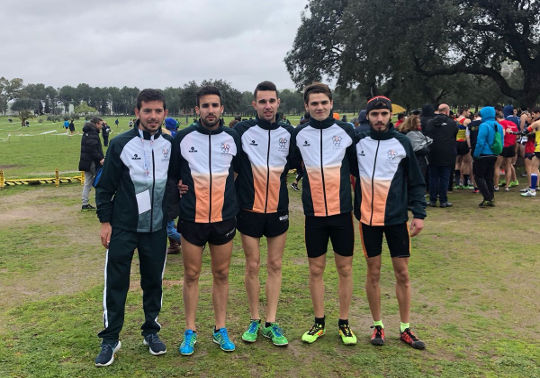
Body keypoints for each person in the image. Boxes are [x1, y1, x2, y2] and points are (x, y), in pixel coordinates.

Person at [93, 89, 172, 367]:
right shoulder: (119, 144)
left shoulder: (169, 145)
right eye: (147, 111)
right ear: (137, 112)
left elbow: (175, 184)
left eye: (158, 111)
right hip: (124, 228)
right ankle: (110, 339)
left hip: (156, 229)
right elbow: (104, 186)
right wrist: (105, 222)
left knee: (153, 282)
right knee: (117, 284)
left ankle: (151, 330)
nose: (153, 116)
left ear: (165, 113)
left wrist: (169, 214)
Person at [168, 86, 241, 355]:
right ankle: (190, 330)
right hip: (192, 218)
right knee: (191, 274)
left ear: (222, 109)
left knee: (221, 274)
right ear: (197, 109)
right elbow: (173, 175)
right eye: (205, 106)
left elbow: (238, 171)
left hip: (223, 217)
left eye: (215, 105)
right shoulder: (183, 138)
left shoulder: (233, 137)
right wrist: (181, 189)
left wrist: (223, 194)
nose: (211, 110)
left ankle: (220, 329)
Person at [354, 95, 426, 350]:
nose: (380, 119)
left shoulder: (402, 142)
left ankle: (406, 328)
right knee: (373, 273)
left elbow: (416, 182)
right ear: (368, 117)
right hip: (368, 220)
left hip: (396, 219)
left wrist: (419, 214)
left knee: (402, 274)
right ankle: (377, 325)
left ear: (391, 116)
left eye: (384, 114)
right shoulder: (359, 142)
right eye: (375, 115)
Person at [292, 82, 358, 345]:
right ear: (306, 107)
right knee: (315, 268)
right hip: (314, 214)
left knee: (345, 268)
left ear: (331, 104)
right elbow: (286, 163)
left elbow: (358, 168)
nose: (319, 107)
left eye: (323, 102)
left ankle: (344, 323)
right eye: (314, 103)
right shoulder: (299, 134)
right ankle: (318, 322)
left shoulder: (347, 131)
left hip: (342, 212)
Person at [233, 81, 294, 347]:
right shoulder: (241, 130)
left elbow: (294, 164)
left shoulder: (289, 133)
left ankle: (271, 321)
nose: (267, 106)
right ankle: (254, 318)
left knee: (276, 265)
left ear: (278, 102)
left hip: (278, 209)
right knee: (252, 265)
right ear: (254, 105)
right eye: (262, 101)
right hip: (249, 209)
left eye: (272, 101)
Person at [424, 104, 458, 208]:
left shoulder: (430, 123)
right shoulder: (452, 123)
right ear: (447, 111)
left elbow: (427, 135)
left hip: (433, 152)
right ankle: (443, 200)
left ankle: (433, 200)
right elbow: (454, 135)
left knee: (433, 177)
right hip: (447, 153)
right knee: (445, 177)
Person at [473, 106, 504, 207]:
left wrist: (476, 154)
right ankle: (491, 197)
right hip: (494, 154)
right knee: (489, 177)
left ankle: (487, 197)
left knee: (478, 176)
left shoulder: (484, 125)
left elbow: (480, 142)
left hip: (483, 154)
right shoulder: (498, 125)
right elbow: (501, 141)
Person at [78, 117, 104, 211]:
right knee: (100, 181)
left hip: (86, 161)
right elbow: (92, 148)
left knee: (88, 182)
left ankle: (85, 204)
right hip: (92, 162)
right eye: (101, 124)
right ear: (96, 124)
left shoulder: (88, 132)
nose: (102, 126)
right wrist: (100, 158)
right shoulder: (92, 133)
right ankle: (101, 202)